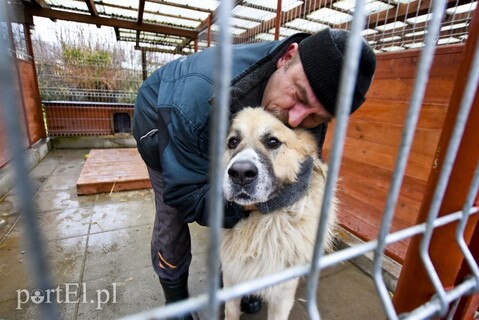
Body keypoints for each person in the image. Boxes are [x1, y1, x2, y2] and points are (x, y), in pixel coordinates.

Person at [133, 27, 376, 320]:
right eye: (297, 95)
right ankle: (175, 302)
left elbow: (305, 159)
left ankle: (238, 283)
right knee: (173, 216)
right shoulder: (194, 100)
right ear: (287, 57)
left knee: (238, 198)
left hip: (222, 126)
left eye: (315, 117)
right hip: (163, 121)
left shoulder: (312, 90)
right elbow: (185, 194)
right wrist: (254, 202)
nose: (296, 118)